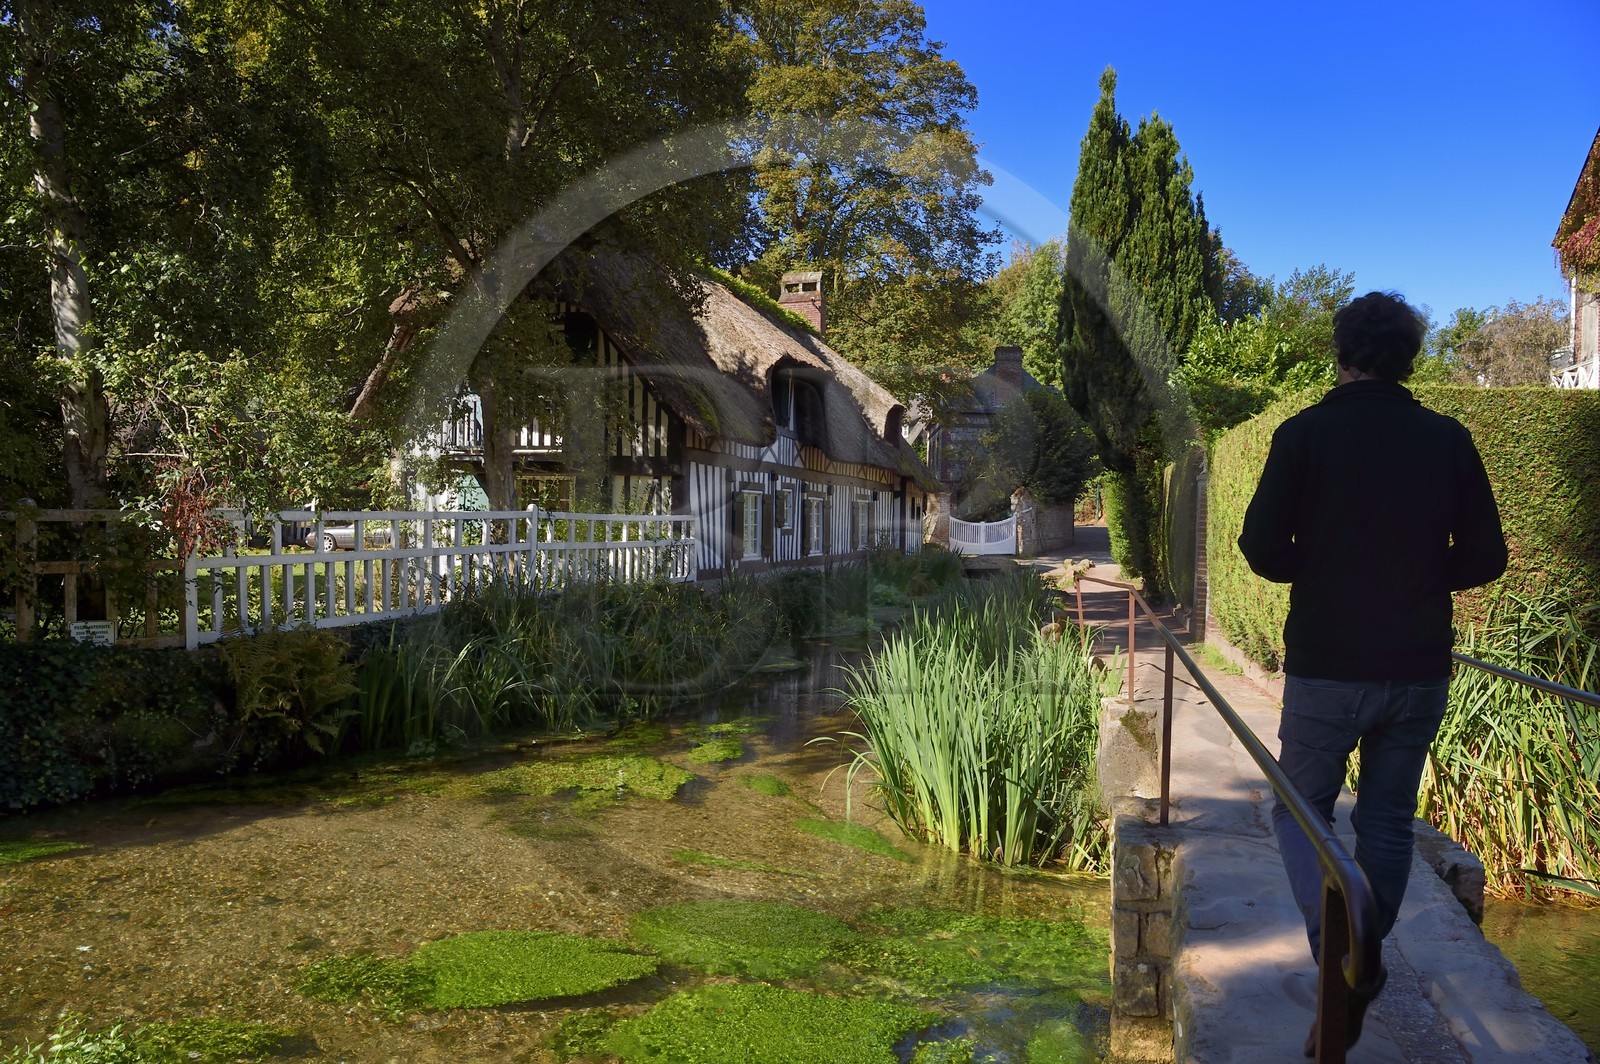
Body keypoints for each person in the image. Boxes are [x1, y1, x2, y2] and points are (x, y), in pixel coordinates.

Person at [1237, 290, 1507, 1054]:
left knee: (1299, 811)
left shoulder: (1304, 434)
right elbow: (1487, 556)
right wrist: (1415, 579)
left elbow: (1260, 548)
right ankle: (1358, 959)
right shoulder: (1447, 438)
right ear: (1410, 357)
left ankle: (1342, 962)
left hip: (1328, 662)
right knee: (1386, 819)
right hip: (1417, 663)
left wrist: (1321, 568)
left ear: (1341, 351)